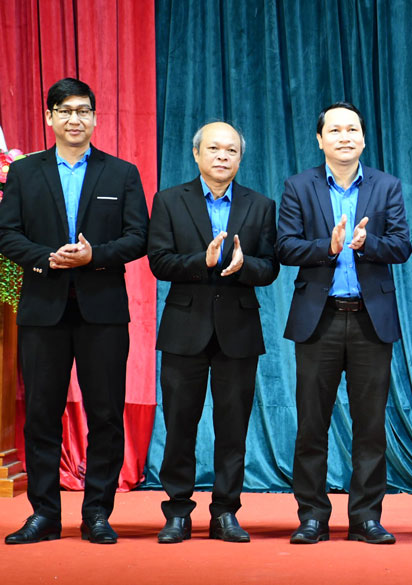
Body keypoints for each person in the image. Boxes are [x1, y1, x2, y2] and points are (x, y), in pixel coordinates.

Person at [0, 78, 148, 544]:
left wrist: (94, 255)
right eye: (64, 111)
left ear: (95, 118)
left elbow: (138, 236)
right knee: (42, 413)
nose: (74, 119)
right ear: (49, 118)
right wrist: (46, 257)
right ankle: (44, 513)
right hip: (43, 309)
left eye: (83, 111)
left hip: (102, 311)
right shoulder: (24, 174)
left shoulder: (121, 173)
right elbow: (6, 235)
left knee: (105, 414)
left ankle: (97, 513)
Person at [277, 102, 411, 545]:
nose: (345, 137)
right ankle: (312, 515)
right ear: (320, 140)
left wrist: (367, 241)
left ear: (364, 138)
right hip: (321, 320)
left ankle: (366, 517)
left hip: (372, 321)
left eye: (352, 129)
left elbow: (402, 246)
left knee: (370, 425)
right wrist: (329, 246)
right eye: (335, 130)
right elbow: (285, 248)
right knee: (311, 424)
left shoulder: (387, 186)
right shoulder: (299, 186)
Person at [147, 122, 279, 544]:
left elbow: (271, 266)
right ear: (196, 154)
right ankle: (178, 512)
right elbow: (158, 261)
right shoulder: (169, 200)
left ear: (240, 158)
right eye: (214, 149)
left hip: (238, 330)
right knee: (179, 425)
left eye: (231, 151)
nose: (223, 156)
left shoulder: (260, 205)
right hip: (184, 329)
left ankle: (225, 512)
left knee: (233, 426)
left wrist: (246, 266)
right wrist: (198, 262)